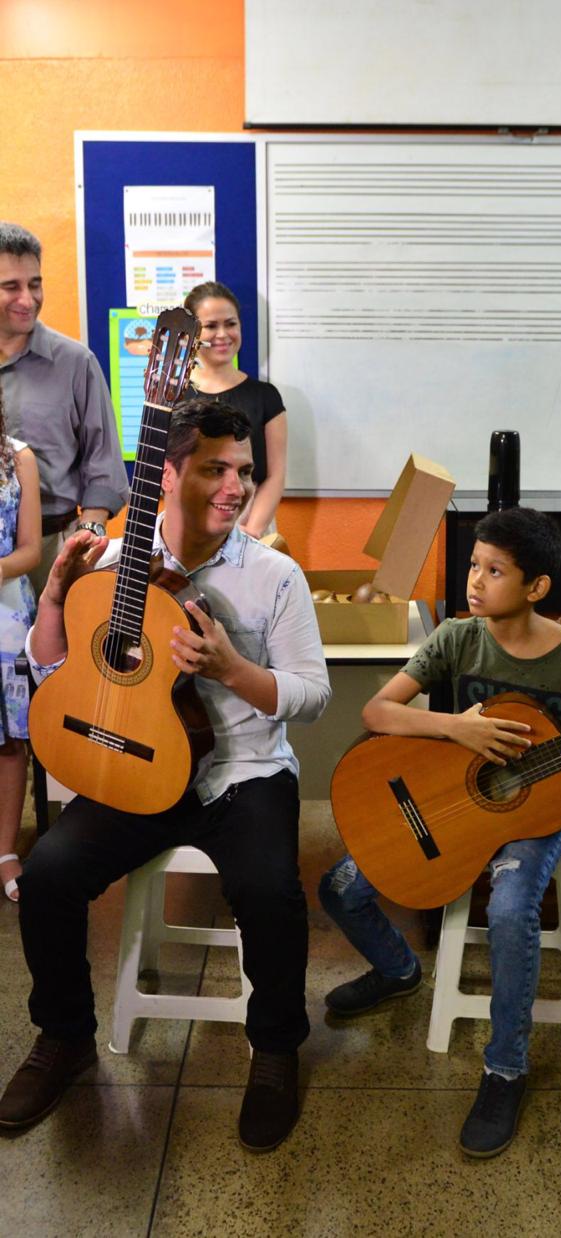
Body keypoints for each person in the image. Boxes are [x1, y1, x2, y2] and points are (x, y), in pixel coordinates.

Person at [0, 397, 331, 1151]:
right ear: (166, 472)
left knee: (271, 891)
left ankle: (275, 1050)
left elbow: (312, 696)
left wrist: (234, 669)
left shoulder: (275, 575)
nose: (236, 487)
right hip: (138, 768)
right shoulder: (115, 566)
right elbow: (55, 669)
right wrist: (55, 593)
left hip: (242, 773)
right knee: (47, 875)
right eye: (215, 469)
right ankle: (64, 1038)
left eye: (244, 471)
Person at [319, 506, 561, 1158]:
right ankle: (398, 970)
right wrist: (457, 728)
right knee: (340, 885)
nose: (476, 581)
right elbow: (379, 710)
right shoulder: (458, 639)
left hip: (533, 816)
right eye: (473, 566)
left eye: (494, 570)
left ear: (536, 587)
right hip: (446, 802)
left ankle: (505, 1067)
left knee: (513, 909)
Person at [0, 222, 128, 594]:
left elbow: (105, 465)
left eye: (35, 283)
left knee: (54, 653)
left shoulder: (76, 362)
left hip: (53, 544)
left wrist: (89, 530)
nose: (28, 299)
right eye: (11, 287)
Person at [183, 281, 287, 538]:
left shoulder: (265, 397)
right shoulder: (172, 396)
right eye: (210, 326)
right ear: (191, 332)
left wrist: (250, 532)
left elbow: (275, 475)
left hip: (253, 527)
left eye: (230, 324)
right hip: (192, 529)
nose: (222, 334)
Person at [0, 383, 41, 901]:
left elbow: (31, 549)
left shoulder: (18, 458)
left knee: (10, 741)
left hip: (7, 615)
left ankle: (5, 851)